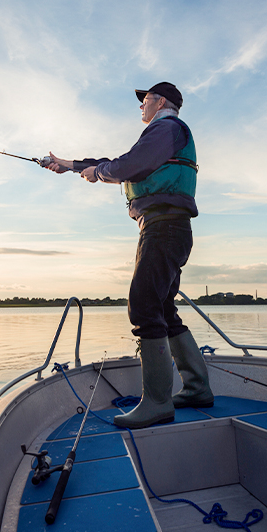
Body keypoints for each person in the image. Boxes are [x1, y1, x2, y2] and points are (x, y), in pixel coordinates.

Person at [46, 82, 214, 429]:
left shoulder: (165, 128)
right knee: (163, 308)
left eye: (145, 100)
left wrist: (101, 173)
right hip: (169, 227)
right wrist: (70, 165)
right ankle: (196, 389)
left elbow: (128, 165)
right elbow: (119, 163)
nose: (140, 107)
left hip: (163, 228)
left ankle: (156, 403)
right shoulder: (166, 133)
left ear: (161, 101)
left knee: (143, 306)